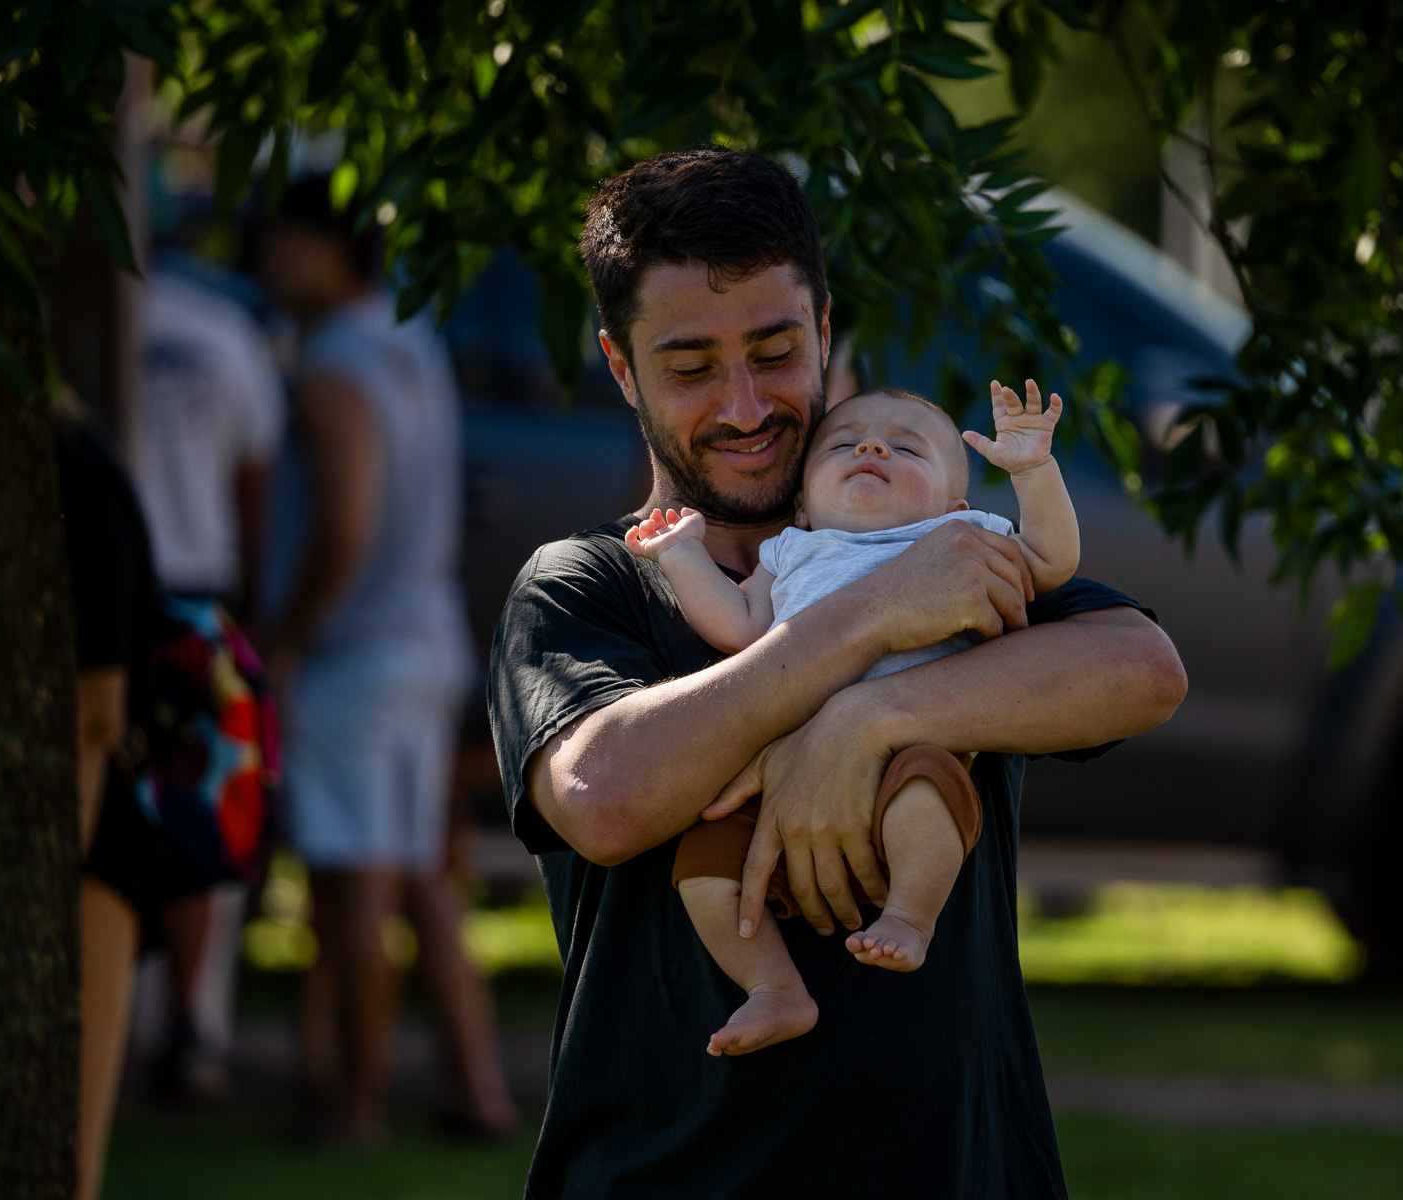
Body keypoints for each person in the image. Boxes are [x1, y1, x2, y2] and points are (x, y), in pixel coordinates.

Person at [487, 146, 1187, 1198]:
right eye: (688, 367)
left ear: (824, 332)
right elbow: (605, 793)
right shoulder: (591, 584)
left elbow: (1138, 668)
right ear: (621, 368)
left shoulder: (936, 535)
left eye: (774, 350)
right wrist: (867, 620)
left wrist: (865, 722)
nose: (742, 404)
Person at [627, 380, 1078, 1054]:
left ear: (954, 502)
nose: (871, 447)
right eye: (845, 444)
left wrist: (1034, 472)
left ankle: (909, 919)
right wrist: (683, 554)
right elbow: (737, 625)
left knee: (929, 791)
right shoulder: (789, 553)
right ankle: (773, 988)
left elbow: (1050, 562)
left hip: (910, 754)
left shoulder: (963, 536)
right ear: (803, 504)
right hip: (782, 780)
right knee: (704, 861)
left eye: (906, 448)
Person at [257, 175, 516, 1144]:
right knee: (421, 880)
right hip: (428, 642)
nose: (267, 264)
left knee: (350, 887)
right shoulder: (415, 339)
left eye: (282, 241)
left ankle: (354, 1108)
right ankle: (477, 1088)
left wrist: (286, 635)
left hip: (352, 655)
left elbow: (346, 521)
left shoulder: (331, 362)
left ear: (333, 245)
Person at [126, 249, 286, 1101]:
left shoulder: (68, 322)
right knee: (200, 819)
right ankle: (187, 1021)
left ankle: (150, 1023)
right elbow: (252, 489)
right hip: (199, 602)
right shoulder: (228, 332)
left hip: (115, 601)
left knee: (121, 811)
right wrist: (250, 613)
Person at [57, 394, 159, 1200]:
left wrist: (48, 893)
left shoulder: (71, 464)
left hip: (89, 840)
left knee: (65, 1162)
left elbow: (98, 719)